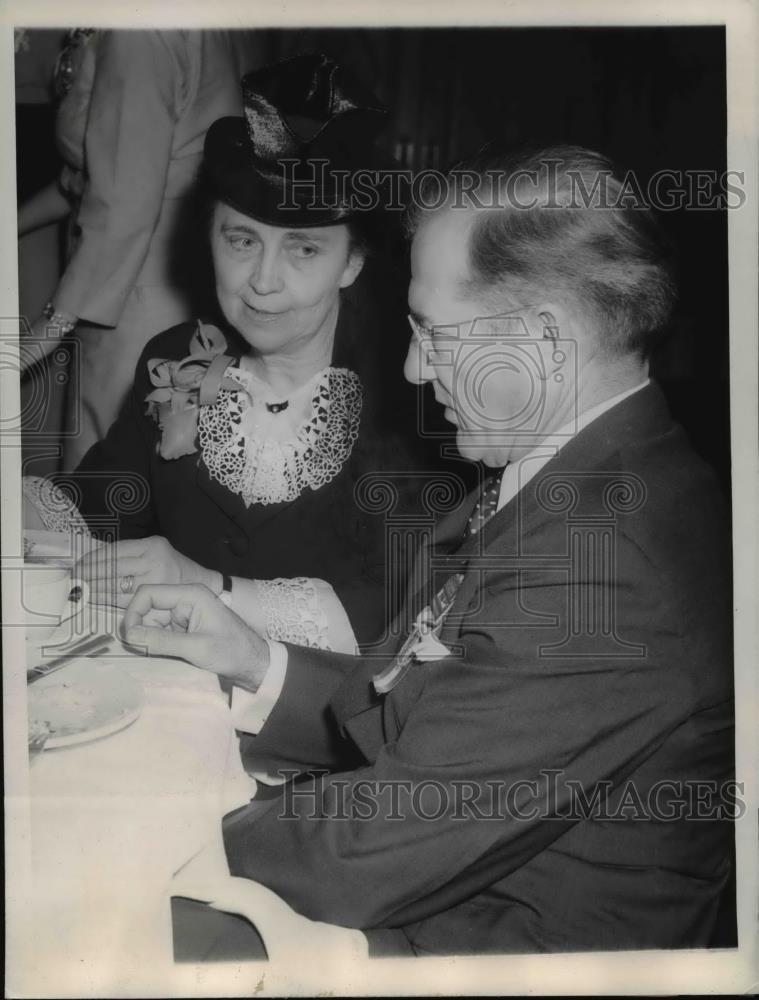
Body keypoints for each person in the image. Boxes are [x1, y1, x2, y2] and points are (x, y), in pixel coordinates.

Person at [125, 145, 736, 955]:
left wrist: (144, 839)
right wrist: (254, 658)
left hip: (497, 948)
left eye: (433, 333)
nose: (413, 368)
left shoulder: (605, 565)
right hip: (438, 886)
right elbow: (425, 716)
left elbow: (370, 849)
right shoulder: (574, 468)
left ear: (543, 339)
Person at [23, 53, 418, 656]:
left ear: (352, 262)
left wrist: (208, 586)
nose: (262, 280)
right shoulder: (178, 359)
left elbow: (391, 610)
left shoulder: (410, 395)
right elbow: (98, 506)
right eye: (242, 240)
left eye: (304, 251)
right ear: (209, 236)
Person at [18, 29, 262, 470]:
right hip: (179, 279)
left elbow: (125, 202)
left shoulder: (139, 32)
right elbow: (117, 173)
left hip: (133, 292)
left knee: (105, 475)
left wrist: (41, 334)